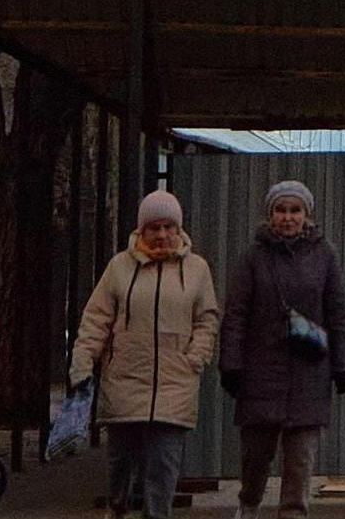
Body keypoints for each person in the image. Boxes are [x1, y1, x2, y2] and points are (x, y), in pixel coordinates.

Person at [72, 191, 220, 519]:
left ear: (179, 229)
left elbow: (206, 319)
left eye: (169, 226)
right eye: (154, 227)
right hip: (125, 380)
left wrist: (195, 357)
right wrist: (83, 363)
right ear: (141, 230)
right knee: (121, 463)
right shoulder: (119, 268)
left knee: (163, 465)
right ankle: (118, 508)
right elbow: (96, 318)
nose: (163, 234)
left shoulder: (196, 269)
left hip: (174, 383)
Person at [221, 180, 345, 511]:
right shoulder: (253, 257)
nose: (287, 217)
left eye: (295, 210)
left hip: (309, 373)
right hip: (259, 373)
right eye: (281, 210)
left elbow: (338, 314)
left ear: (306, 215)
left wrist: (344, 365)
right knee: (255, 460)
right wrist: (231, 365)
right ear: (270, 215)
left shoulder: (325, 256)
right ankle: (248, 506)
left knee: (299, 464)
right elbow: (235, 314)